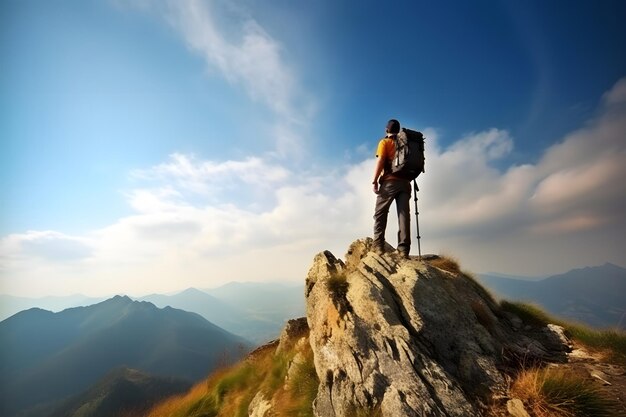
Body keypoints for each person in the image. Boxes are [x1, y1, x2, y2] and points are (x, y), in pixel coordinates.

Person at [371, 119, 411, 258]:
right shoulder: (405, 143)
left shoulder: (385, 142)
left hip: (389, 182)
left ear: (386, 129)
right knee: (404, 216)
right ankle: (403, 250)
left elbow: (381, 160)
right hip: (406, 183)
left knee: (380, 213)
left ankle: (378, 246)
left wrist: (375, 180)